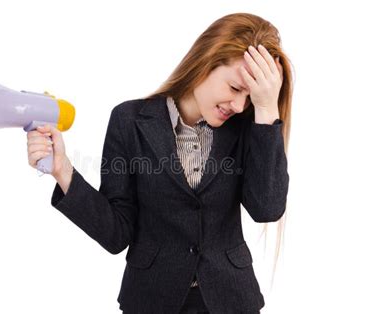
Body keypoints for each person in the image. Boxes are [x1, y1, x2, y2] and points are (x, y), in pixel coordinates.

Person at [26, 12, 292, 314]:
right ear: (204, 62)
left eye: (250, 95)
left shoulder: (251, 127)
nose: (239, 105)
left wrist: (267, 107)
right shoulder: (129, 121)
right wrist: (64, 172)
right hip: (151, 300)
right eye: (234, 88)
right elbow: (116, 234)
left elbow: (266, 208)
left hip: (231, 301)